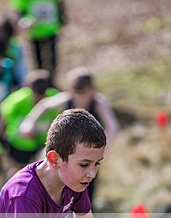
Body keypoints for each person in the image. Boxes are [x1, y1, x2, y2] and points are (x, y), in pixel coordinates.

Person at [20, 67, 119, 200]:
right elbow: (45, 105)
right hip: (67, 153)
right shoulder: (66, 99)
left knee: (87, 188)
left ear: (92, 90)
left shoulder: (98, 102)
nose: (82, 98)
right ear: (71, 91)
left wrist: (103, 147)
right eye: (78, 93)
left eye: (85, 93)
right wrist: (29, 123)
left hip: (87, 155)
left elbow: (112, 125)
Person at [0, 69, 57, 175]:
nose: (39, 99)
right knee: (18, 172)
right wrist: (3, 138)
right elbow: (3, 115)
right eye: (36, 95)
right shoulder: (17, 100)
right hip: (19, 145)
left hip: (41, 143)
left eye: (42, 95)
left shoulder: (53, 99)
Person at [11, 0, 65, 77]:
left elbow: (59, 4)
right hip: (34, 31)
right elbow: (19, 8)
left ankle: (51, 80)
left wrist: (61, 20)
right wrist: (23, 20)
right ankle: (39, 80)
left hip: (51, 29)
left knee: (52, 58)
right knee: (37, 59)